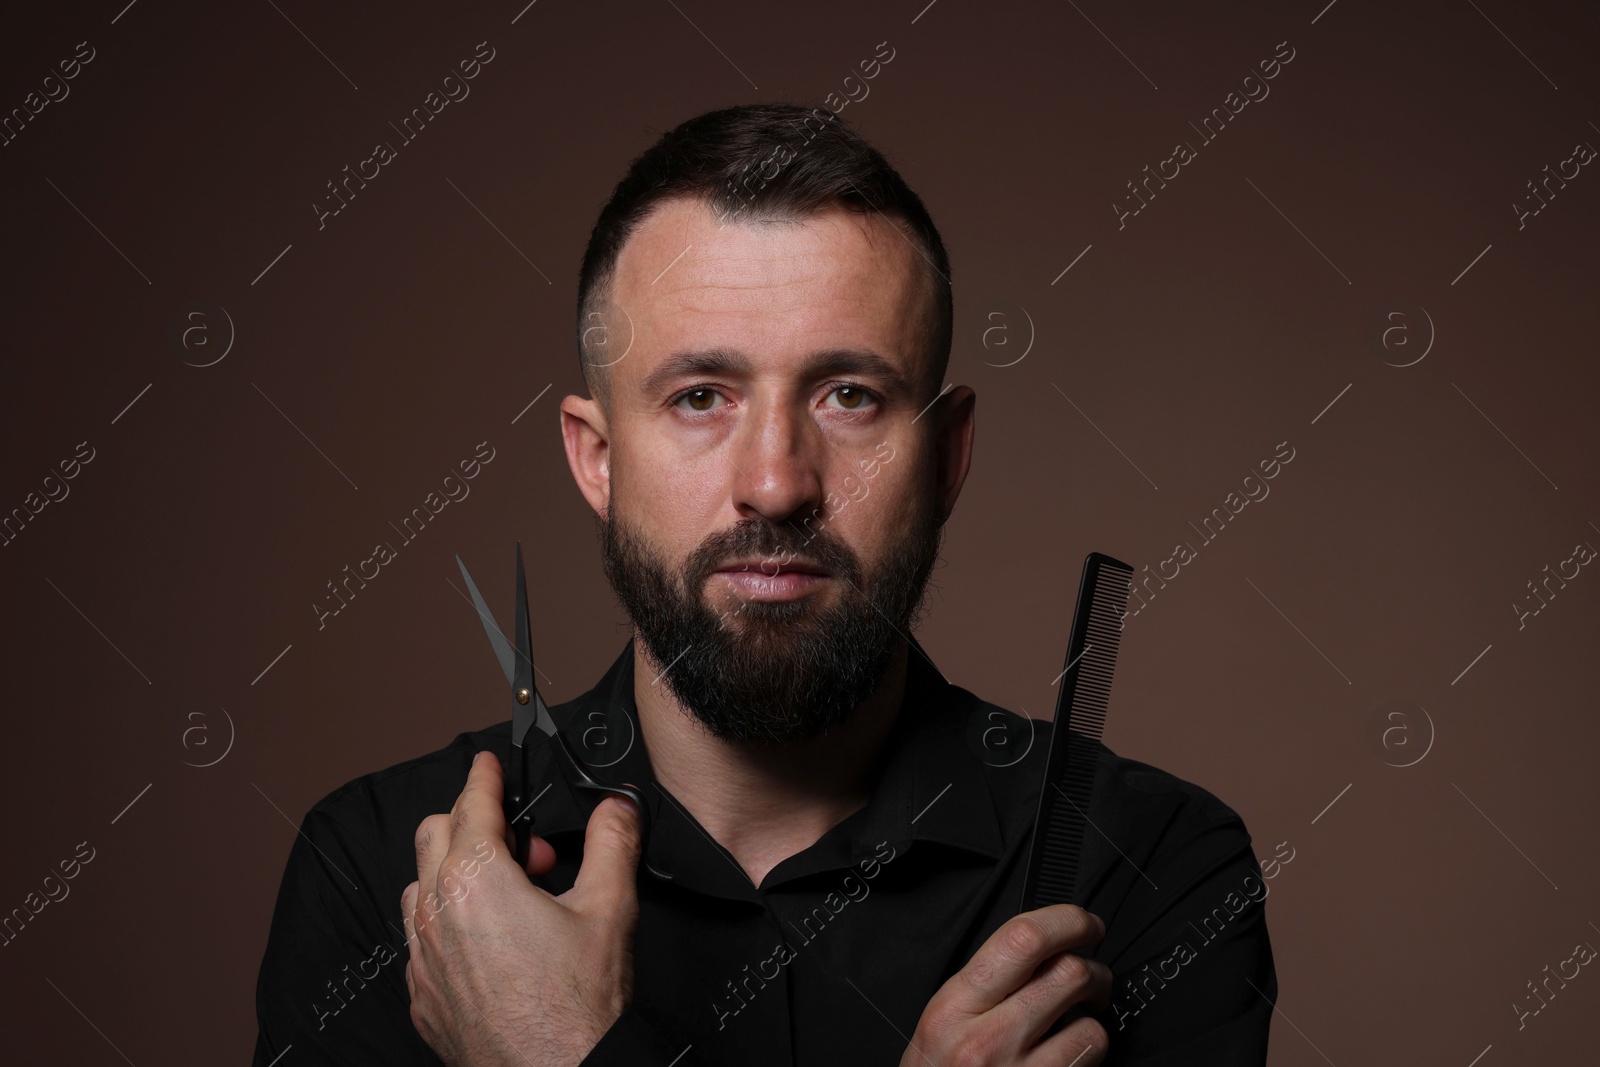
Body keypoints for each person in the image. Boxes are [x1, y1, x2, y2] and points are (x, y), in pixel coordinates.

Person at [252, 102, 1275, 1067]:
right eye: (701, 396)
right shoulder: (393, 876)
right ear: (596, 458)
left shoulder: (1144, 867)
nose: (776, 482)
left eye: (848, 395)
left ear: (947, 454)